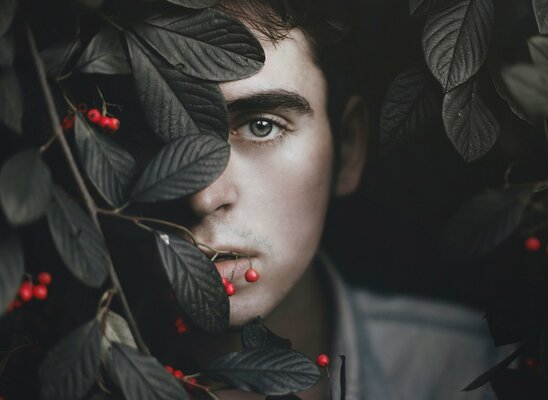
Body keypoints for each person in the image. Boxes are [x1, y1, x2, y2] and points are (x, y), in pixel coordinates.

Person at [143, 1, 507, 399]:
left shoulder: (473, 375)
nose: (204, 195)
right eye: (158, 128)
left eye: (261, 126)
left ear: (348, 149)